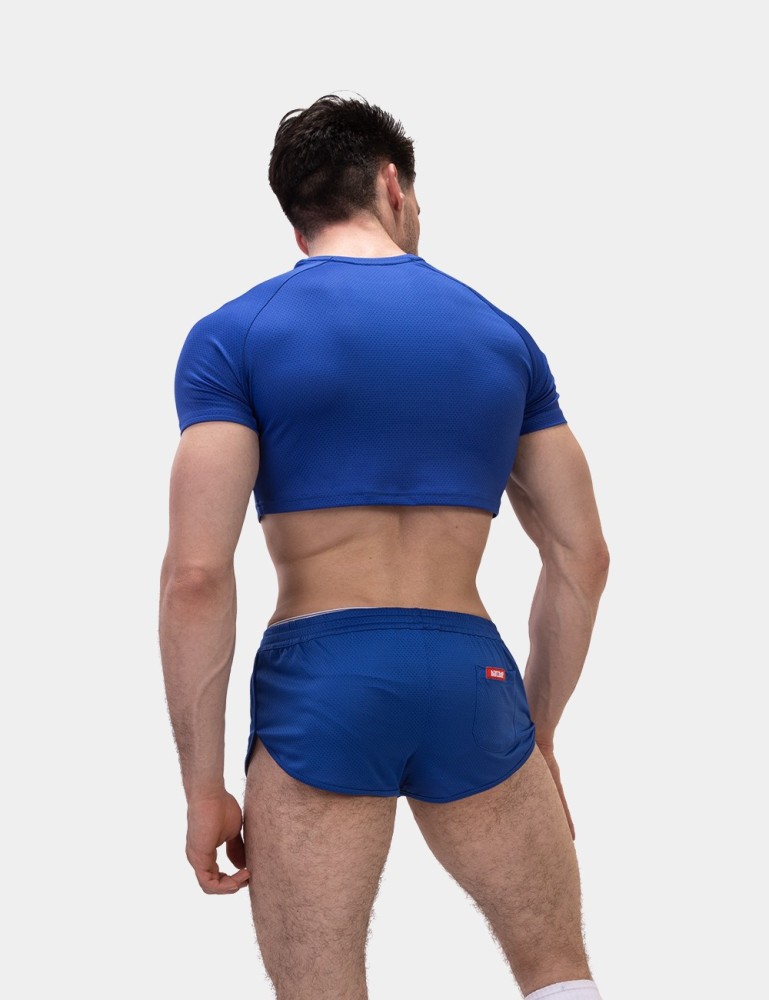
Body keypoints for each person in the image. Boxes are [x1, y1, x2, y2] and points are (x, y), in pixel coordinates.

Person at [159, 94, 610, 1000]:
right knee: (559, 978)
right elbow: (581, 556)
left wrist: (203, 787)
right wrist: (537, 733)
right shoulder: (501, 336)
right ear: (392, 185)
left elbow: (197, 576)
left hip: (323, 679)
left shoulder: (233, 336)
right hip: (472, 674)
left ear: (297, 221)